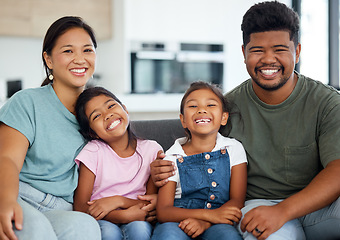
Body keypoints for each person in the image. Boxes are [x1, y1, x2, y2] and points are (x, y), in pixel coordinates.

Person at [150, 1, 340, 240]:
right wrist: (162, 169)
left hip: (319, 205)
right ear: (244, 53)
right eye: (257, 50)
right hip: (258, 206)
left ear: (297, 51)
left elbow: (337, 170)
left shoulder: (327, 102)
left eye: (280, 49)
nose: (268, 59)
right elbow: (194, 150)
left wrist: (284, 210)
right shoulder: (226, 108)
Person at [0, 16, 101, 240]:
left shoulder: (98, 114)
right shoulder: (27, 102)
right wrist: (5, 201)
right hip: (19, 195)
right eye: (68, 51)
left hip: (61, 207)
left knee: (86, 227)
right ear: (49, 59)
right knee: (36, 231)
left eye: (87, 50)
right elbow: (7, 159)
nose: (79, 59)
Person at [151, 81, 247, 240]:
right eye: (193, 106)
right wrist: (209, 215)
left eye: (210, 105)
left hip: (219, 221)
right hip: (177, 220)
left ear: (224, 118)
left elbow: (237, 200)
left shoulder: (234, 148)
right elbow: (164, 211)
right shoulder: (172, 156)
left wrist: (206, 221)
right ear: (183, 120)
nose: (202, 109)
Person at [73, 86, 162, 240]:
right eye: (96, 116)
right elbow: (80, 207)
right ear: (92, 133)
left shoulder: (152, 150)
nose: (108, 115)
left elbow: (149, 203)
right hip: (102, 218)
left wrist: (117, 201)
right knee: (108, 233)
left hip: (136, 216)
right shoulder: (93, 152)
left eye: (111, 106)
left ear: (125, 109)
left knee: (139, 229)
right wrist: (121, 216)